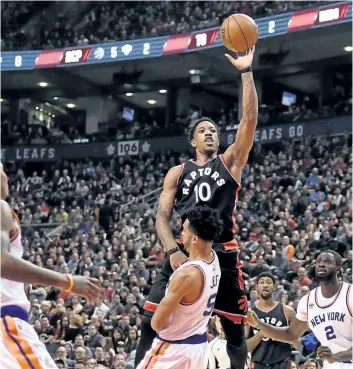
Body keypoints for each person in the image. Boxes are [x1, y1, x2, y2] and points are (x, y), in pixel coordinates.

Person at [135, 48, 258, 369]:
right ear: (192, 140)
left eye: (214, 130)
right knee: (148, 322)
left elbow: (249, 120)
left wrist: (246, 72)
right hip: (185, 252)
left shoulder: (230, 161)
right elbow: (162, 217)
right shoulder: (177, 172)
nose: (210, 133)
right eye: (203, 130)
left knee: (234, 331)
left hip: (223, 251)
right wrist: (172, 250)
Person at [0, 163, 100, 369]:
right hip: (5, 324)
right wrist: (68, 281)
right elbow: (1, 261)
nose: (6, 176)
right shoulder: (1, 208)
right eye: (1, 169)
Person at [136, 206, 223, 369]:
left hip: (173, 350)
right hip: (199, 347)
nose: (181, 233)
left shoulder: (187, 275)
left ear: (195, 239)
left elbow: (157, 323)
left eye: (184, 230)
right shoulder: (214, 259)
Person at [248, 251, 352, 369]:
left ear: (337, 270)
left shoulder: (350, 294)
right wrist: (260, 324)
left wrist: (336, 357)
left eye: (328, 262)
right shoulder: (307, 301)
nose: (322, 265)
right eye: (319, 261)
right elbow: (291, 335)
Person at [246, 272, 301, 369]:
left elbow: (298, 344)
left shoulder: (287, 311)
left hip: (283, 364)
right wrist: (261, 334)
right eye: (262, 282)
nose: (265, 285)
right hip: (259, 365)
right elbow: (245, 347)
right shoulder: (250, 314)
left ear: (274, 287)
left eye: (268, 282)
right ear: (256, 287)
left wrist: (276, 333)